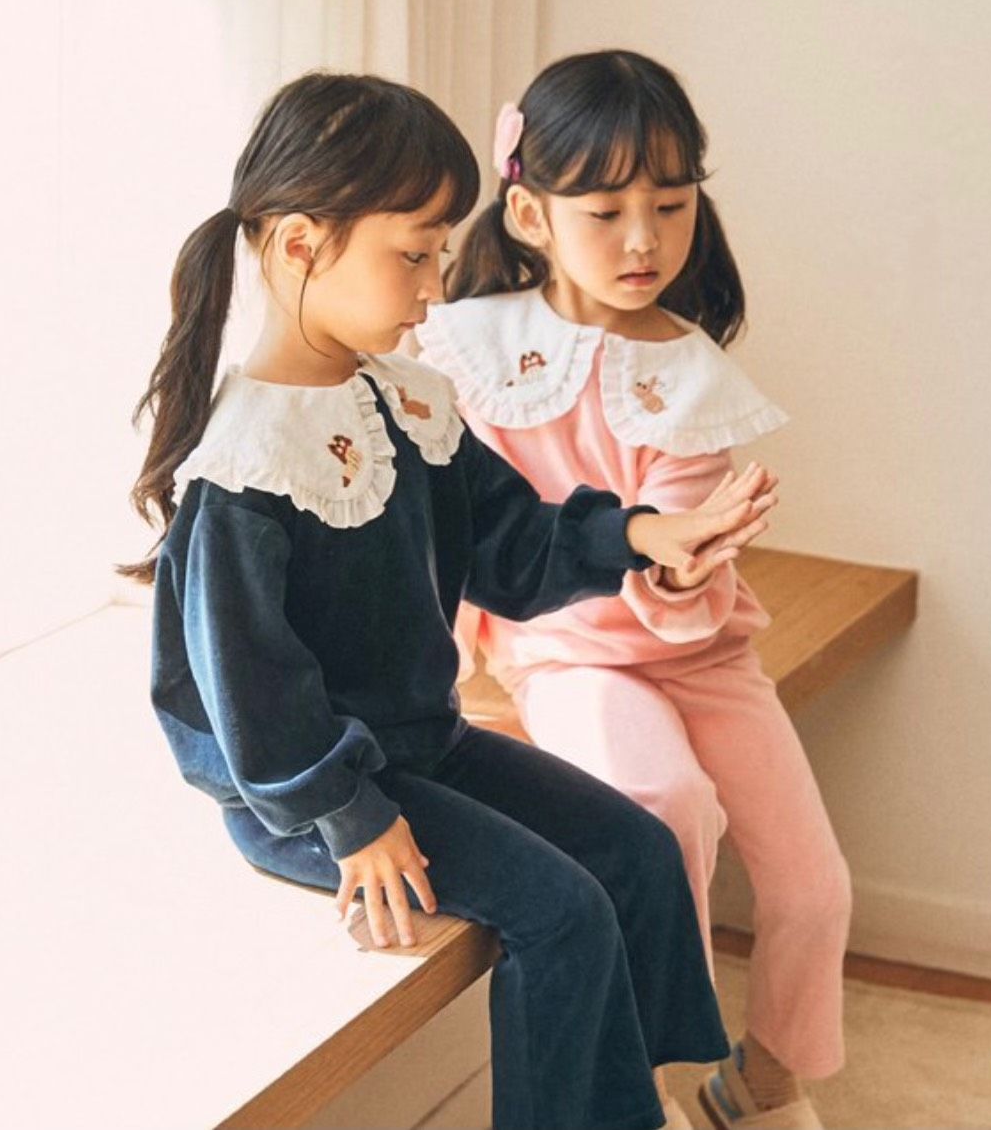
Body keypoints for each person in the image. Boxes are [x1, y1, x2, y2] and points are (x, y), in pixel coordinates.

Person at [122, 71, 778, 1130]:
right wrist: (353, 818)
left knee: (641, 852)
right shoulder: (244, 465)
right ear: (300, 246)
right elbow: (252, 693)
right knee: (561, 913)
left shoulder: (406, 400)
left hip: (426, 744)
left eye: (438, 253)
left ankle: (622, 1104)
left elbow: (509, 541)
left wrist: (640, 536)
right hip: (316, 793)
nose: (436, 287)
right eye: (414, 255)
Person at [418, 49, 851, 1130]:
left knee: (815, 888)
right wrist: (445, 649)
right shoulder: (469, 345)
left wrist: (685, 563)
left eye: (670, 204)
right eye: (606, 212)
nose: (644, 240)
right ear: (531, 214)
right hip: (568, 654)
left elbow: (680, 559)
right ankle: (648, 1083)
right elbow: (452, 513)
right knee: (664, 808)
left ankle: (761, 1083)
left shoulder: (696, 378)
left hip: (706, 653)